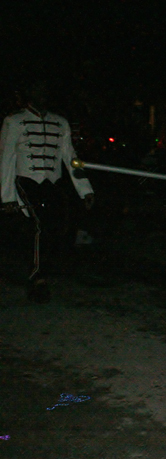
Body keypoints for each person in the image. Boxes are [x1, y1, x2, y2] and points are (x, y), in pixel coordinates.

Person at [0, 80, 95, 302]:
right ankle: (37, 278)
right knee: (40, 226)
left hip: (52, 183)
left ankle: (41, 269)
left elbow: (71, 158)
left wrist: (85, 189)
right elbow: (6, 158)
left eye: (45, 90)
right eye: (37, 89)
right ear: (29, 93)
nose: (42, 94)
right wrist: (6, 197)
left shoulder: (60, 122)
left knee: (57, 227)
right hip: (26, 181)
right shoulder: (14, 121)